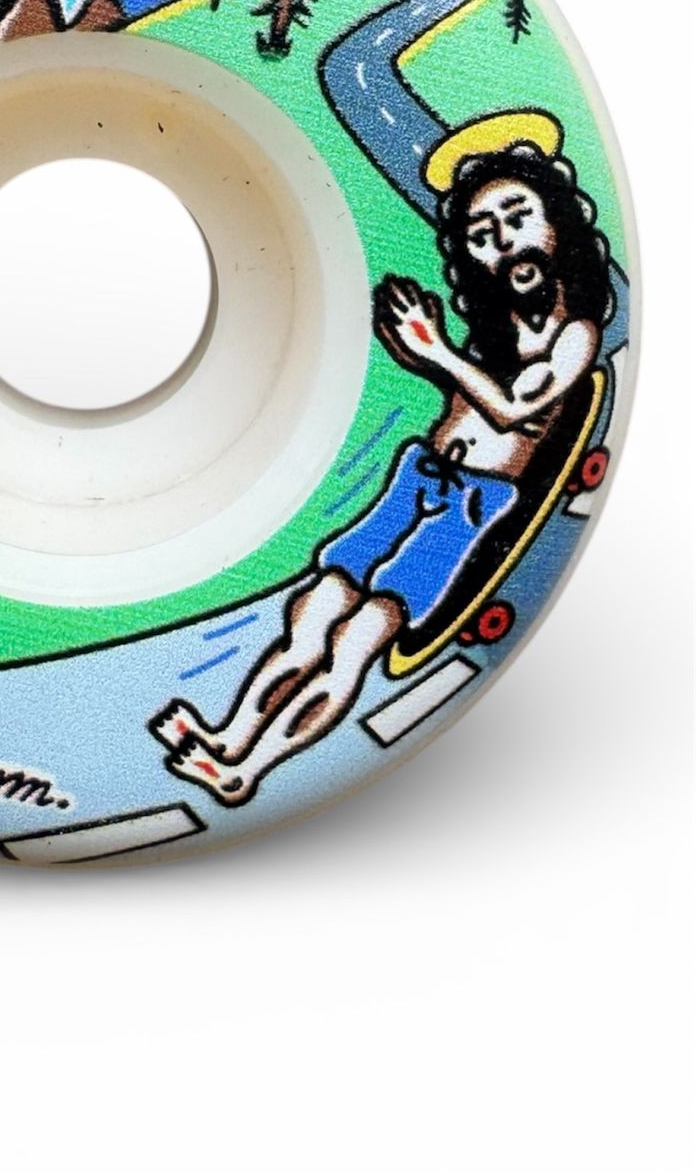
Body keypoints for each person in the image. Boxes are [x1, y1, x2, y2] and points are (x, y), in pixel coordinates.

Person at [151, 118, 612, 806]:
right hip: (419, 477)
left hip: (469, 509)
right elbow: (465, 400)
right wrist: (421, 355)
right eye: (482, 233)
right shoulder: (498, 330)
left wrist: (435, 353)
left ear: (558, 223)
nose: (503, 240)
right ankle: (228, 738)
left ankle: (252, 769)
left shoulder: (577, 334)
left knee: (357, 642)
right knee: (311, 615)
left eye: (518, 217)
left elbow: (513, 408)